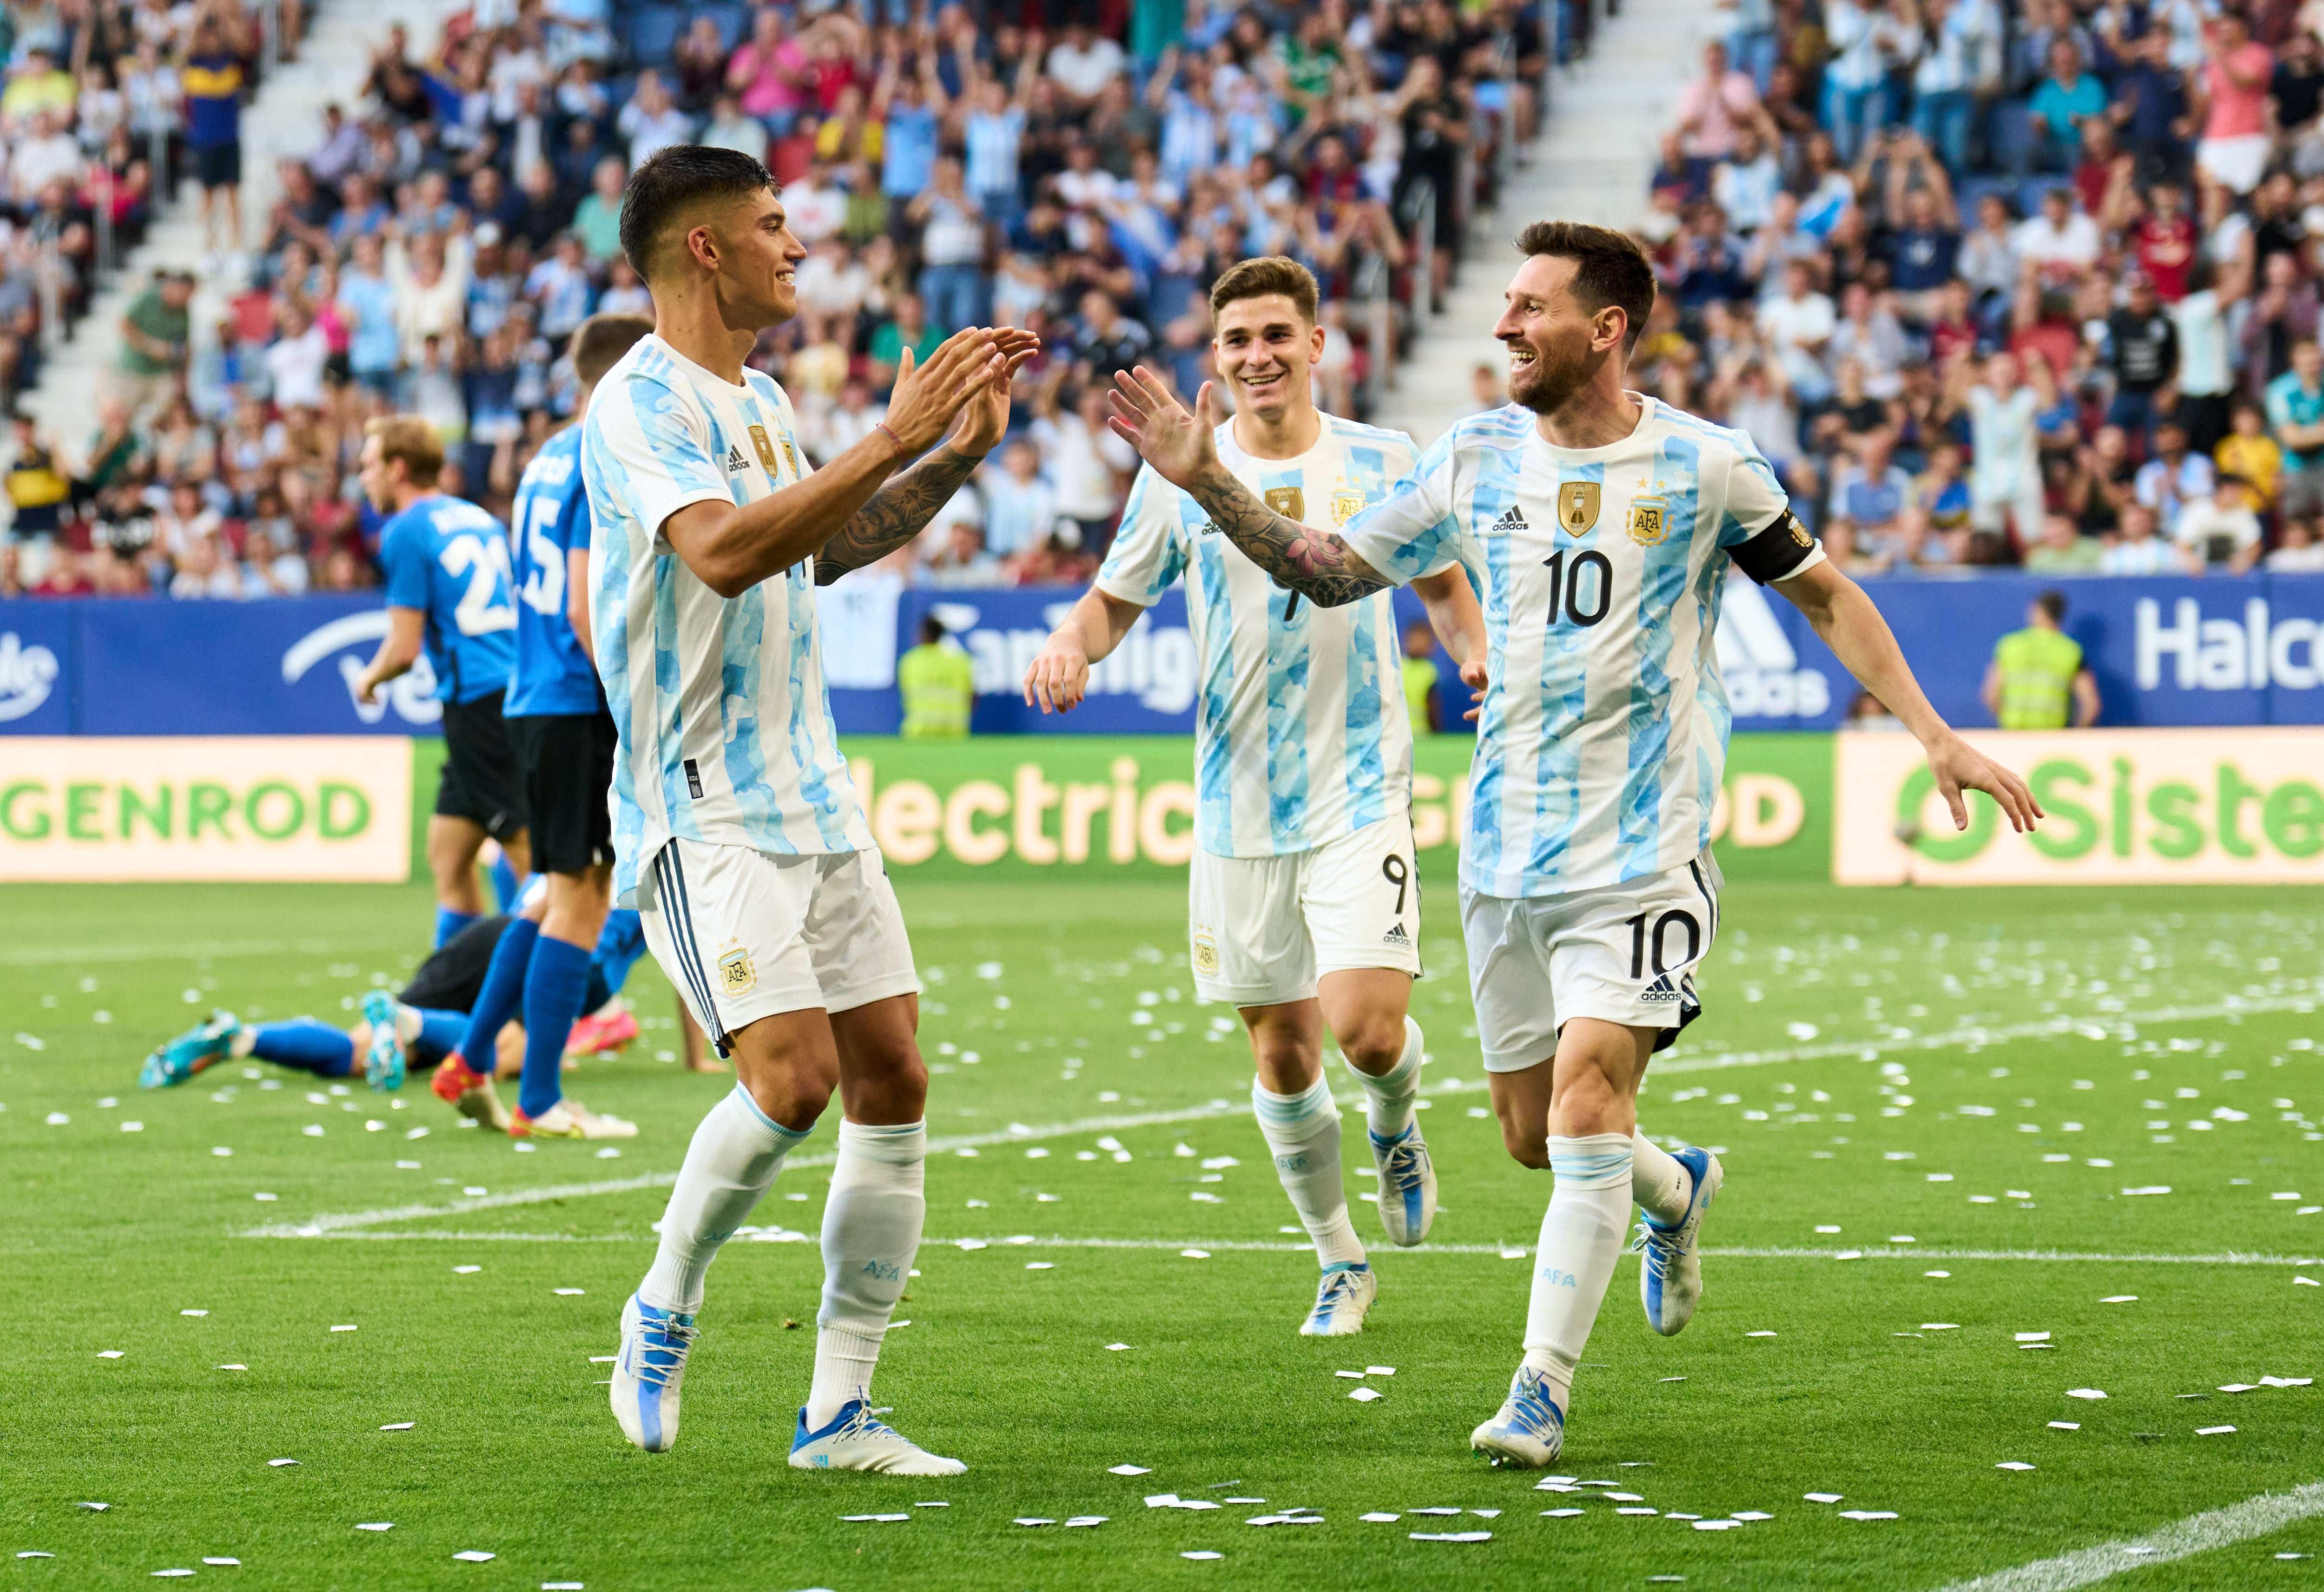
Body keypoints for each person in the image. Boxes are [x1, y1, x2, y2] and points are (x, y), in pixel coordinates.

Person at [1103, 220, 2039, 1467]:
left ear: (1606, 329)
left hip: (1646, 845)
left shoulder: (1710, 466)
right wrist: (1207, 480)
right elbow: (1329, 573)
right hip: (1504, 853)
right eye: (1503, 304)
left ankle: (1539, 1387)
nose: (1503, 327)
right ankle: (1677, 1186)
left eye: (1530, 308)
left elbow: (1825, 595)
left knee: (1592, 1103)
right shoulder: (1472, 456)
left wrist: (1932, 731)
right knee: (1536, 1135)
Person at [582, 145, 1032, 1475]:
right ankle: (662, 1301)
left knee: (893, 1075)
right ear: (705, 247)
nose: (800, 246)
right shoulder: (637, 405)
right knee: (791, 1080)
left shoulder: (764, 394)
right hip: (700, 805)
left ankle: (839, 1411)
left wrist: (944, 463)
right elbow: (722, 553)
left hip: (814, 795)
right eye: (775, 226)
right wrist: (891, 432)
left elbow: (819, 545)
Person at [1025, 257, 1489, 1337]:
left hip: (1360, 782)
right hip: (1238, 801)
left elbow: (1441, 586)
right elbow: (1110, 603)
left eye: (1277, 334)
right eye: (1236, 341)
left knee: (1367, 1029)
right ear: (1218, 356)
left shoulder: (1383, 458)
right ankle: (1339, 1259)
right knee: (1280, 1048)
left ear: (1318, 345)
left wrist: (1472, 656)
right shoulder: (1178, 472)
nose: (1256, 356)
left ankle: (1396, 1116)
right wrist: (1067, 642)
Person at [427, 312, 657, 1142]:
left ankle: (473, 1057)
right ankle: (542, 1098)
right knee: (584, 902)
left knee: (550, 890)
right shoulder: (607, 451)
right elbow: (583, 597)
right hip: (573, 694)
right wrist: (631, 706)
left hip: (529, 695)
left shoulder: (545, 456)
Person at [139, 894, 661, 1094]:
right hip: (547, 948)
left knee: (358, 1052)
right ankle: (408, 1024)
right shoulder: (656, 895)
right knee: (509, 1054)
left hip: (493, 937)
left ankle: (241, 1040)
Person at [351, 417, 532, 954]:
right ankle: (458, 993)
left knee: (525, 854)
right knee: (449, 853)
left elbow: (403, 649)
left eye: (369, 466)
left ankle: (575, 995)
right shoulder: (475, 516)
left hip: (481, 701)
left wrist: (370, 678)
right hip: (504, 692)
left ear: (397, 469)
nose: (363, 479)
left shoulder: (405, 530)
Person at [1982, 591, 2099, 730]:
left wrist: (2005, 722)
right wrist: (2077, 734)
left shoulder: (2010, 646)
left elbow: (1991, 694)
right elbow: (2091, 705)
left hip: (2013, 733)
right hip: (2053, 737)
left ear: (2037, 611)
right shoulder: (2071, 651)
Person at [896, 613, 973, 737]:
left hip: (919, 732)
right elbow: (972, 698)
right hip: (954, 733)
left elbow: (905, 695)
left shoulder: (909, 661)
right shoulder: (961, 661)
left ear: (923, 635)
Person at [1401, 619, 1444, 736]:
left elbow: (1433, 708)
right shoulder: (1396, 666)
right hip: (1398, 734)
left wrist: (1436, 733)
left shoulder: (1430, 670)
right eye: (1416, 640)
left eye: (1424, 641)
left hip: (1423, 735)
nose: (1419, 645)